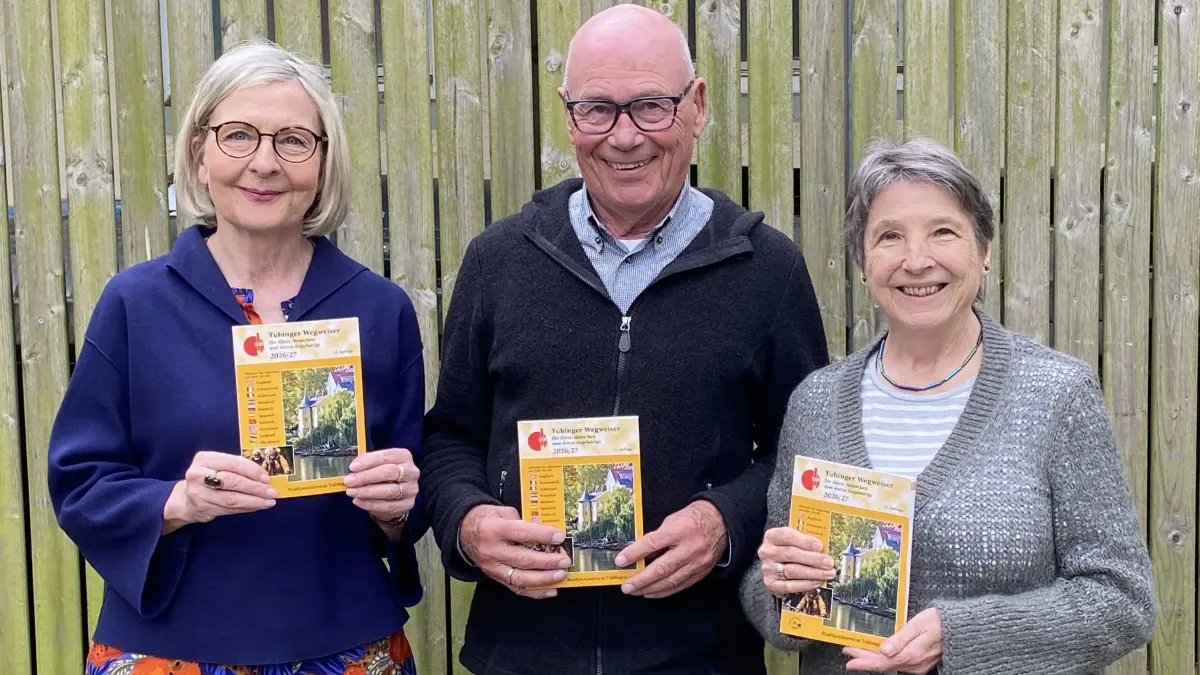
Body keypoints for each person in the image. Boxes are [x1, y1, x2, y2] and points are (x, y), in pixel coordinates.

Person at [420, 5, 829, 673]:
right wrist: (467, 520)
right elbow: (450, 438)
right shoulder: (499, 260)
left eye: (650, 106)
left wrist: (726, 519)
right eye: (598, 110)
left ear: (695, 107)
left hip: (701, 656)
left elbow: (807, 453)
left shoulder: (766, 270)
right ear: (568, 114)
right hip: (522, 652)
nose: (624, 136)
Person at [48, 41, 425, 674]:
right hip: (171, 647)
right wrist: (178, 501)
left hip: (344, 644)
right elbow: (81, 482)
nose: (265, 163)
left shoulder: (379, 310)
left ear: (323, 162)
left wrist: (398, 509)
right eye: (238, 135)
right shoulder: (135, 305)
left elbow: (414, 495)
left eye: (293, 141)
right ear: (199, 154)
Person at [741, 138, 1156, 674]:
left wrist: (960, 636)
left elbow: (1123, 601)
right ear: (864, 264)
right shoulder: (816, 402)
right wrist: (776, 586)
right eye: (890, 237)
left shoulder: (1057, 395)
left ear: (983, 252)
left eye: (943, 232)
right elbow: (768, 594)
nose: (917, 260)